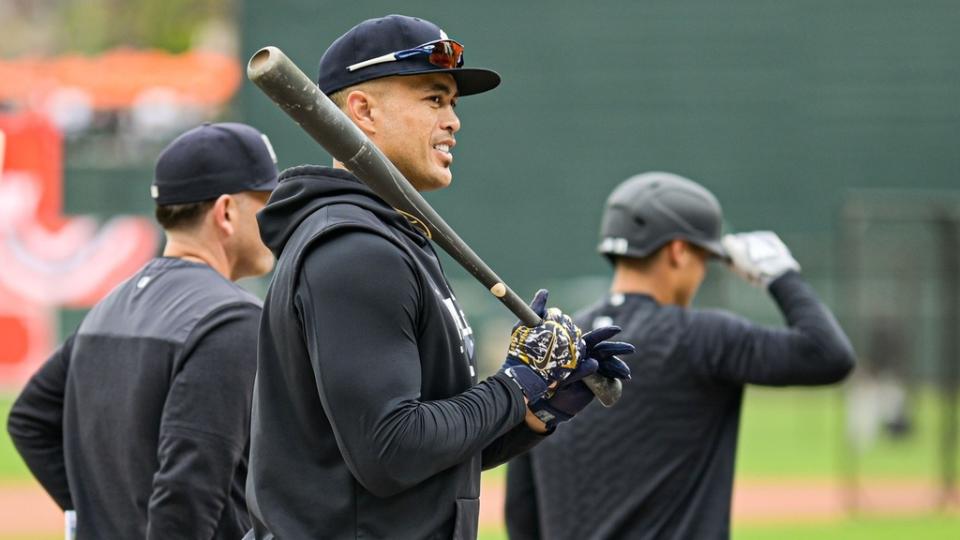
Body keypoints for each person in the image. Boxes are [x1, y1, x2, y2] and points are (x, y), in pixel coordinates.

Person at [244, 14, 632, 540]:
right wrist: (515, 385)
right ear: (362, 110)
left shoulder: (394, 240)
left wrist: (540, 406)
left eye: (452, 103)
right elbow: (391, 450)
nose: (453, 121)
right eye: (433, 99)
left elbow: (434, 458)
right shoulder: (355, 250)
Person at [505, 171, 856, 540]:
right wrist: (781, 276)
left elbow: (522, 509)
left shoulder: (558, 344)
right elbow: (828, 355)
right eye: (704, 258)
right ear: (679, 251)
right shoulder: (703, 337)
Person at [7, 122, 280, 539]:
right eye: (265, 203)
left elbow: (30, 419)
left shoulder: (110, 305)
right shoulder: (231, 318)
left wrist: (100, 516)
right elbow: (187, 490)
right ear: (226, 212)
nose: (275, 219)